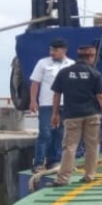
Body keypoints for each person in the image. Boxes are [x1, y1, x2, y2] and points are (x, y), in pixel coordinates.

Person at [48, 45, 102, 186]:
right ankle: (89, 176)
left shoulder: (64, 73)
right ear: (91, 57)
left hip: (72, 115)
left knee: (70, 147)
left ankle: (63, 179)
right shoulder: (96, 74)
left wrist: (55, 114)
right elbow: (101, 97)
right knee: (92, 146)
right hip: (92, 115)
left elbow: (56, 95)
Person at [29, 38, 74, 172]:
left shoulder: (71, 64)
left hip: (64, 104)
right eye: (51, 49)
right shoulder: (43, 63)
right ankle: (38, 163)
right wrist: (33, 100)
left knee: (59, 133)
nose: (52, 52)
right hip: (47, 104)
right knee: (45, 133)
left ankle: (53, 161)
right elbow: (35, 83)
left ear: (64, 50)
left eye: (55, 50)